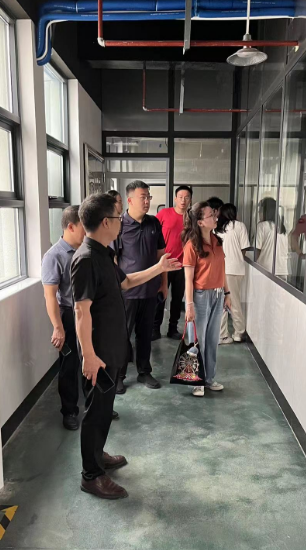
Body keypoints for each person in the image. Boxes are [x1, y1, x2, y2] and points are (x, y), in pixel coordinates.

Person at [71, 193, 180, 499]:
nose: (121, 222)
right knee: (95, 412)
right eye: (118, 217)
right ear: (106, 222)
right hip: (97, 354)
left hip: (110, 348)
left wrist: (158, 268)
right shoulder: (85, 259)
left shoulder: (103, 253)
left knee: (105, 409)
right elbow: (81, 311)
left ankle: (98, 455)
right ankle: (91, 475)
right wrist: (89, 356)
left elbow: (126, 282)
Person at [114, 180, 167, 394]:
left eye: (148, 197)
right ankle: (119, 375)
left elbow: (161, 256)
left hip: (150, 290)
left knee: (145, 334)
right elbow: (114, 260)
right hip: (126, 292)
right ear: (130, 200)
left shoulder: (154, 223)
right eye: (142, 197)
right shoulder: (119, 225)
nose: (147, 201)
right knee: (122, 335)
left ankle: (144, 371)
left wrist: (163, 284)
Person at [41, 206, 86, 431]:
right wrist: (58, 328)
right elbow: (50, 296)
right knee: (70, 365)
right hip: (69, 315)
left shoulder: (87, 250)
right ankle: (69, 411)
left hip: (89, 313)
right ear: (70, 227)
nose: (88, 232)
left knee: (92, 359)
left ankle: (94, 404)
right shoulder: (54, 256)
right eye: (84, 227)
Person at [182, 202, 232, 397]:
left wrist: (227, 293)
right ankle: (196, 382)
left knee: (212, 340)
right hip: (200, 297)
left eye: (214, 214)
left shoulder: (217, 241)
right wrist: (189, 305)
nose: (215, 217)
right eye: (211, 215)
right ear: (200, 222)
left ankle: (209, 379)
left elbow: (222, 270)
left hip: (218, 295)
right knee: (197, 341)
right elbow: (188, 279)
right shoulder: (192, 246)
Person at [153, 185, 193, 341]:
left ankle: (173, 328)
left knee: (177, 299)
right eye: (180, 197)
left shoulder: (191, 218)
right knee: (160, 296)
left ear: (190, 200)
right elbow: (153, 233)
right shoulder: (164, 213)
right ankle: (155, 329)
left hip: (181, 265)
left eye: (186, 197)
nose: (183, 200)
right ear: (175, 198)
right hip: (163, 263)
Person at [215, 203, 250, 344]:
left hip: (220, 269)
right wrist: (238, 259)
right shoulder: (240, 226)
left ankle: (222, 334)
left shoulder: (216, 229)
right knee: (234, 301)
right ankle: (238, 333)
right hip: (236, 269)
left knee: (221, 302)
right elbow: (244, 248)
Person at [256, 197, 289, 278]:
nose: (259, 213)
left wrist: (254, 264)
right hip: (282, 269)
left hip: (266, 270)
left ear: (266, 211)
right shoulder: (282, 228)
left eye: (260, 210)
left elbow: (257, 250)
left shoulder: (262, 226)